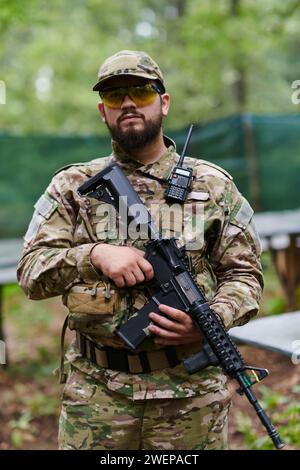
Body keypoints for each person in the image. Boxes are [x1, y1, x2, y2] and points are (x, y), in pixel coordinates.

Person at [17, 50, 263, 450]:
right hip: (96, 396)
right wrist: (94, 255)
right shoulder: (72, 186)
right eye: (115, 96)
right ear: (103, 111)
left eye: (141, 91)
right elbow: (30, 273)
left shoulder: (213, 186)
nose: (128, 102)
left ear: (163, 102)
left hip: (190, 396)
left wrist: (211, 318)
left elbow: (245, 275)